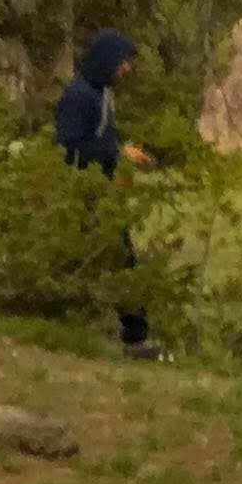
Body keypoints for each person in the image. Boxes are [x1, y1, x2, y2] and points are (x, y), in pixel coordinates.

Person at [51, 28, 160, 357]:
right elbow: (68, 147)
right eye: (122, 61)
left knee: (118, 259)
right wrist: (115, 153)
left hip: (101, 191)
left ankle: (131, 336)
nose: (126, 68)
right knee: (112, 259)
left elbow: (99, 138)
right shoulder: (78, 95)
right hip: (81, 194)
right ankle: (132, 339)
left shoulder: (103, 93)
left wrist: (120, 150)